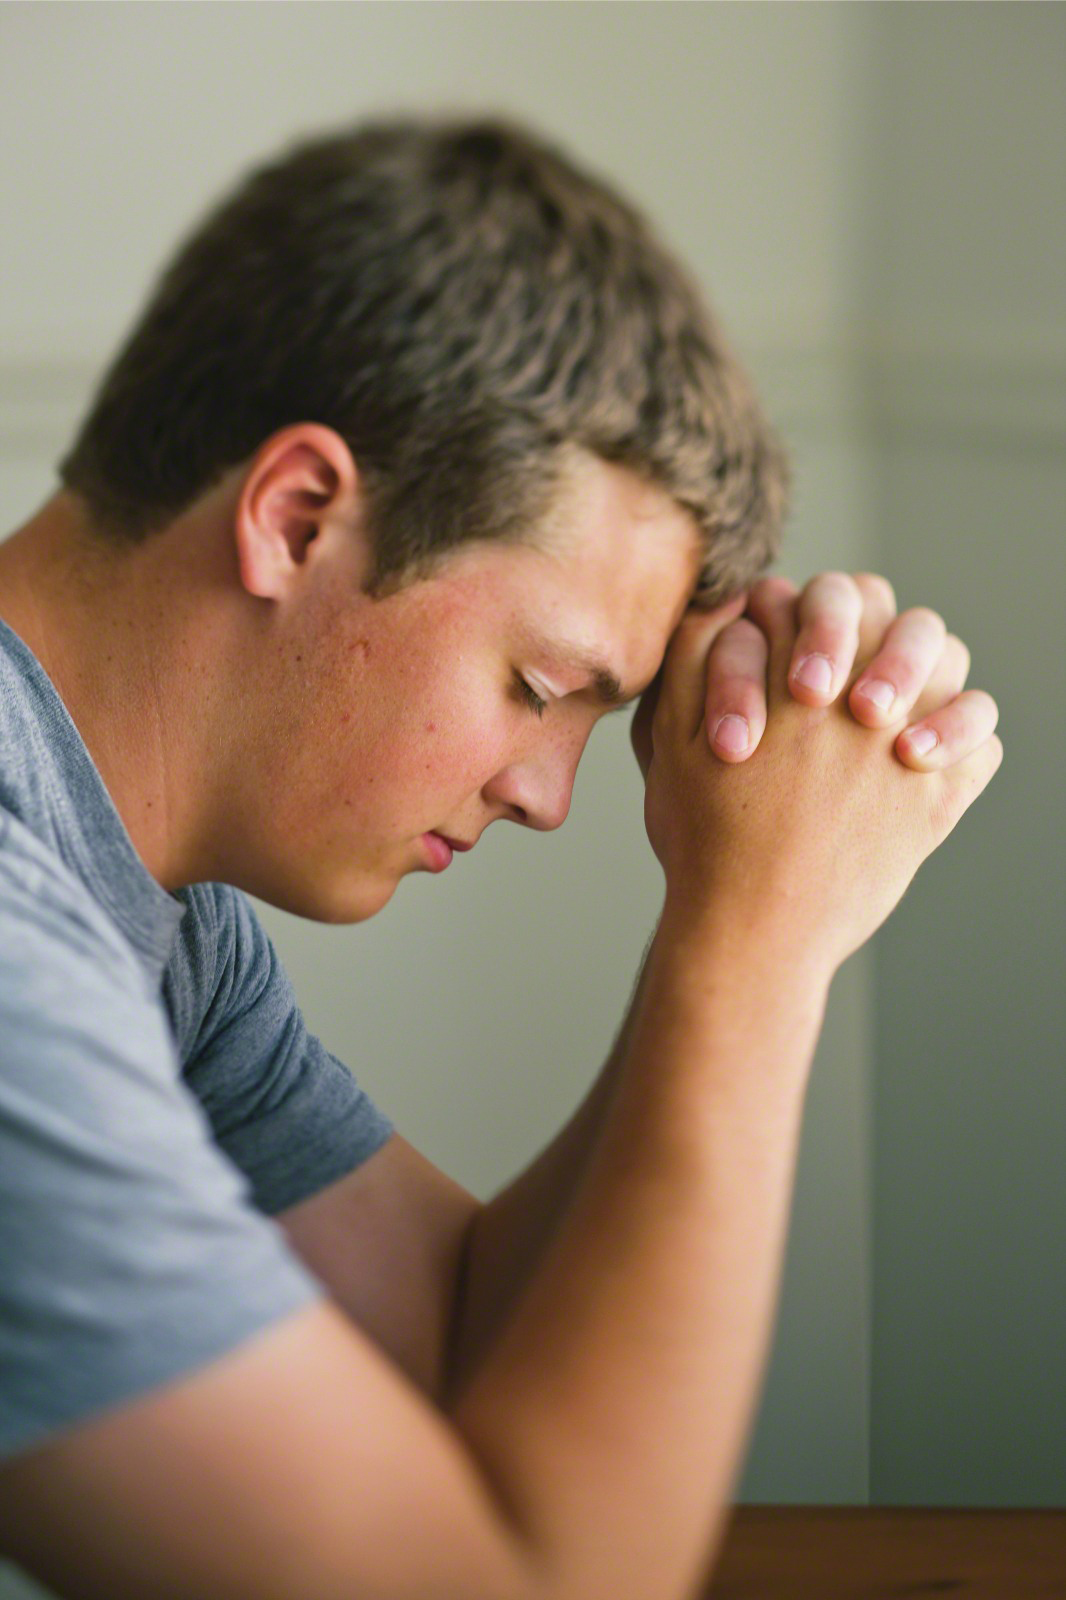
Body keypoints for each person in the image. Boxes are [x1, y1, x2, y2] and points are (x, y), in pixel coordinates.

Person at [0, 115, 1001, 1599]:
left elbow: (450, 1337)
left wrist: (709, 912)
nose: (547, 796)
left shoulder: (158, 918)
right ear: (296, 517)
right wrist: (764, 937)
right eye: (542, 690)